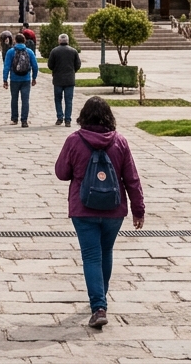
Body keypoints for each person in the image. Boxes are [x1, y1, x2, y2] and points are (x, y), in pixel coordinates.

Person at [54, 97, 146, 329]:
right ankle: (100, 299)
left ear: (83, 116)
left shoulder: (74, 140)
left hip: (83, 209)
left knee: (92, 256)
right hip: (114, 210)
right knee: (106, 252)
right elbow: (132, 179)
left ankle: (98, 306)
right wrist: (138, 209)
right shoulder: (120, 142)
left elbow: (61, 172)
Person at [47, 33, 82, 126]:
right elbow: (78, 64)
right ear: (68, 41)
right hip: (70, 79)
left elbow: (50, 65)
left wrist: (55, 69)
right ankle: (68, 120)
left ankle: (59, 117)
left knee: (58, 99)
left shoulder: (54, 51)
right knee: (68, 100)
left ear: (59, 41)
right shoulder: (73, 51)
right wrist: (73, 71)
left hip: (58, 79)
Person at [2, 36, 38, 127]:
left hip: (14, 79)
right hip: (26, 79)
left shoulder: (10, 52)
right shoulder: (29, 52)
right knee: (25, 100)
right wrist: (34, 77)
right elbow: (35, 66)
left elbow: (6, 66)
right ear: (24, 41)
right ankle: (24, 120)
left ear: (15, 41)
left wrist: (5, 79)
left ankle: (14, 119)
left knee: (14, 99)